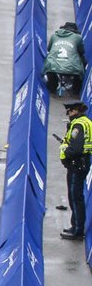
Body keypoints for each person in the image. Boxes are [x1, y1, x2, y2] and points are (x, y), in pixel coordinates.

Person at [60, 100, 91, 240]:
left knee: (75, 196)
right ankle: (75, 225)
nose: (69, 114)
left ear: (74, 111)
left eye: (70, 112)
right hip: (81, 163)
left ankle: (78, 229)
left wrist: (66, 153)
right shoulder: (86, 122)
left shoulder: (78, 125)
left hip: (77, 164)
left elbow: (76, 148)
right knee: (75, 196)